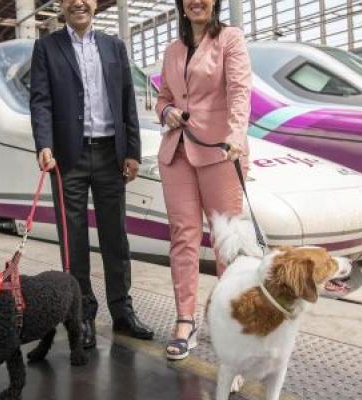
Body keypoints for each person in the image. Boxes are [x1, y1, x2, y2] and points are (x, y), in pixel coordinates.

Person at [29, 0, 154, 349]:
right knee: (74, 240)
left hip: (109, 154)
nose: (78, 2)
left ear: (96, 4)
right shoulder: (47, 47)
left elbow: (127, 100)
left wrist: (132, 151)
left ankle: (122, 311)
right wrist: (44, 142)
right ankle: (81, 313)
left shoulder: (114, 47)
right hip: (67, 157)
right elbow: (40, 100)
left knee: (116, 237)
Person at [156, 0, 252, 360]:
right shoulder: (172, 50)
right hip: (176, 153)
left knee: (226, 242)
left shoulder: (230, 39)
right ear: (182, 6)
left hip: (220, 151)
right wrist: (167, 111)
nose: (196, 1)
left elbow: (240, 91)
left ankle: (231, 322)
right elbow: (163, 98)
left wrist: (237, 136)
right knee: (183, 237)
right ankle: (185, 319)